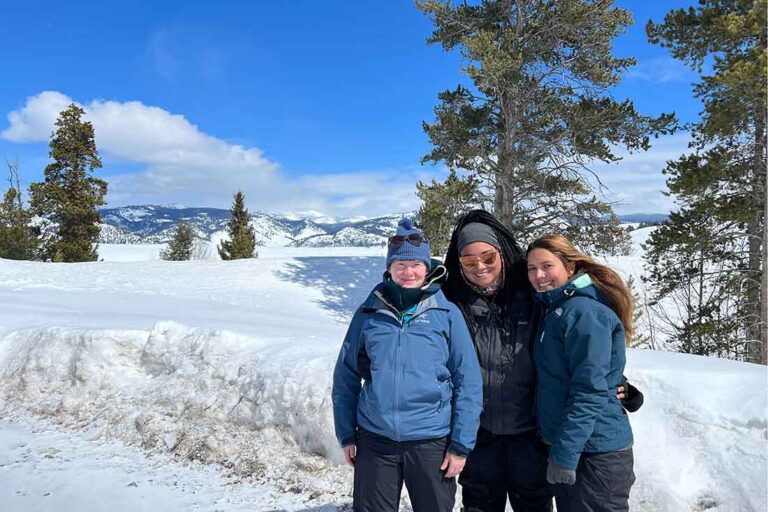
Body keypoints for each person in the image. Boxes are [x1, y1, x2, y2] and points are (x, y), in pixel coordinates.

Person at [442, 210, 643, 512]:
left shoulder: (533, 297)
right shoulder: (453, 303)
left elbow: (578, 356)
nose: (480, 267)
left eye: (488, 257)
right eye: (469, 262)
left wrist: (617, 383)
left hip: (532, 436)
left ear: (502, 255)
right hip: (480, 435)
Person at [332, 218, 483, 512]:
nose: (408, 272)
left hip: (431, 441)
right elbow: (346, 376)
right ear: (389, 269)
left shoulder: (446, 313)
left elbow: (468, 381)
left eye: (415, 265)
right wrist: (347, 433)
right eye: (400, 265)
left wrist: (460, 445)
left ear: (427, 268)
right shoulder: (368, 312)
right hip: (376, 440)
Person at [526, 234, 636, 512]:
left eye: (547, 266)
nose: (539, 275)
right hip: (579, 447)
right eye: (531, 268)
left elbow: (590, 389)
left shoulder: (583, 312)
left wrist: (564, 454)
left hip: (595, 453)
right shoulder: (558, 309)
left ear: (571, 267)